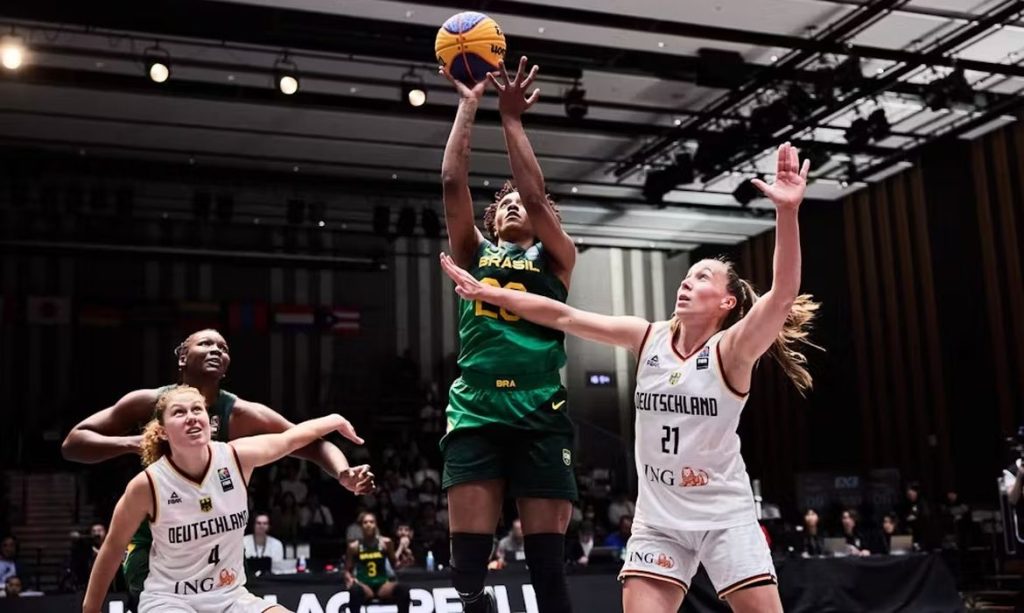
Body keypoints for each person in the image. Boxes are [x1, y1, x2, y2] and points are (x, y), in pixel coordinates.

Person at [440, 143, 818, 613]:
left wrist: (787, 213)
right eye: (688, 276)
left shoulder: (733, 349)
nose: (687, 282)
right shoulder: (647, 338)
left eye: (702, 278)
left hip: (724, 514)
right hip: (659, 519)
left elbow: (782, 295)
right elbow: (564, 315)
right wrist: (489, 292)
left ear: (727, 304)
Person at [62, 329, 374, 607]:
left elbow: (307, 442)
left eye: (223, 347)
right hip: (158, 543)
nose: (216, 350)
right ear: (183, 357)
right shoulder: (149, 404)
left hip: (218, 538)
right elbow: (73, 443)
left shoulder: (240, 415)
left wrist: (343, 471)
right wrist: (134, 444)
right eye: (206, 343)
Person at [438, 56, 579, 613]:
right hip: (476, 408)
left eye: (526, 204)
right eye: (508, 205)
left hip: (540, 408)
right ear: (494, 222)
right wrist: (469, 104)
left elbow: (538, 197)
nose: (518, 206)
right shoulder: (476, 254)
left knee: (548, 571)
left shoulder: (559, 259)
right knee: (466, 572)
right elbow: (452, 181)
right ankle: (478, 603)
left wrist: (513, 121)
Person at [344, 512, 410, 613]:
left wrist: (403, 562)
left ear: (376, 525)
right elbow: (347, 570)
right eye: (365, 522)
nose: (368, 525)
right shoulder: (354, 547)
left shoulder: (386, 543)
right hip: (364, 585)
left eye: (371, 522)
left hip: (382, 584)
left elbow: (394, 564)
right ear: (361, 526)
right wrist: (350, 579)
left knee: (403, 589)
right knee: (355, 591)